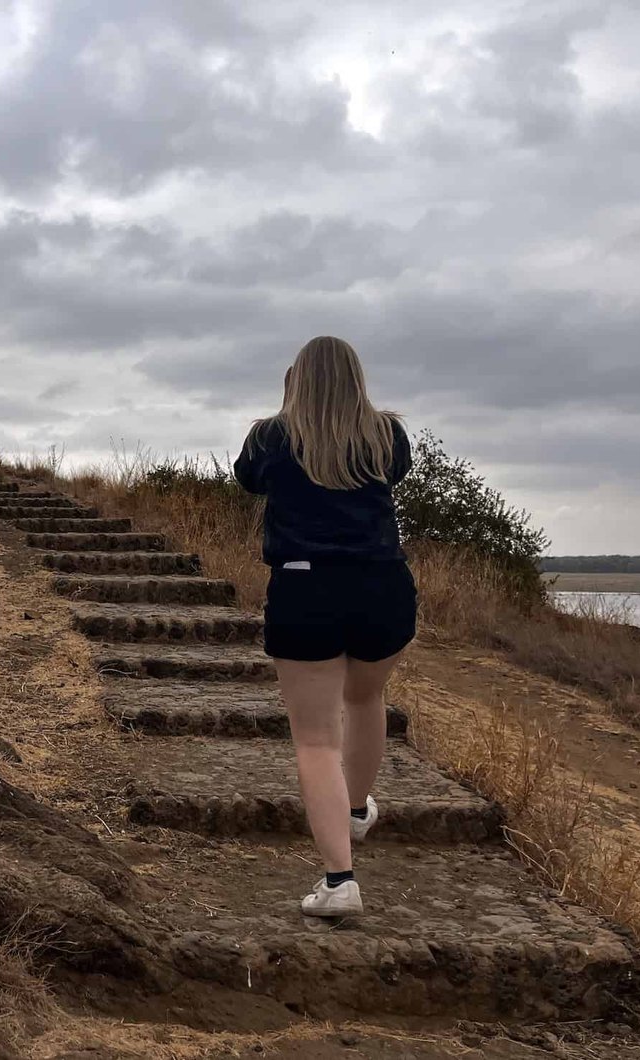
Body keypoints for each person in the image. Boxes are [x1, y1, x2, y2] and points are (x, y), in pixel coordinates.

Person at [232, 336, 415, 918]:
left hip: (305, 586)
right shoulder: (387, 435)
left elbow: (248, 479)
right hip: (383, 585)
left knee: (315, 739)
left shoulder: (272, 435)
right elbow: (395, 474)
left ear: (297, 380)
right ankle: (357, 810)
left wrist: (288, 409)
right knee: (366, 700)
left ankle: (340, 882)